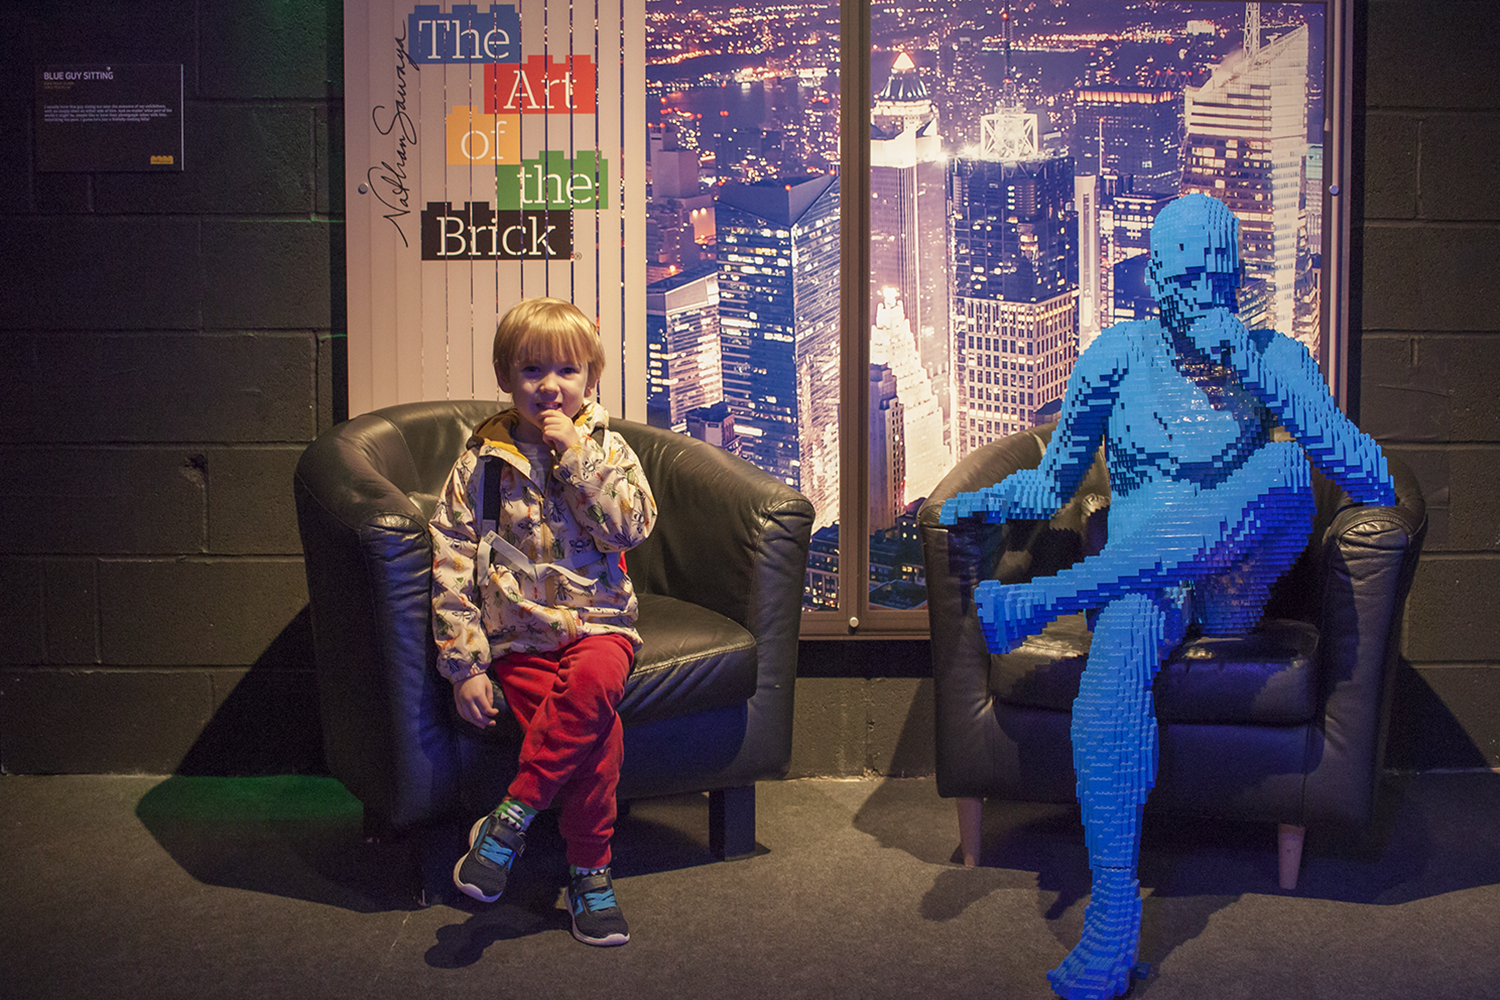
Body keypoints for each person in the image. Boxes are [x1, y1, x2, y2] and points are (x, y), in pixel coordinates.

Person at [941, 193, 1395, 1000]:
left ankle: (1053, 596)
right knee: (1113, 667)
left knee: (1288, 469)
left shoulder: (1273, 357)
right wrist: (983, 501)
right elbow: (1053, 480)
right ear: (1154, 279)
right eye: (1185, 280)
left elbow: (1369, 476)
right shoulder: (1117, 357)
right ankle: (1114, 906)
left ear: (1239, 281)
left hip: (1233, 586)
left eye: (1217, 280)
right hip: (1144, 581)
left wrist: (1254, 369)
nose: (1201, 298)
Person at [429, 296, 657, 947]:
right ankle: (591, 876)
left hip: (602, 625)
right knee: (594, 743)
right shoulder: (481, 463)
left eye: (567, 371)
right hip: (519, 636)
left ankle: (510, 819)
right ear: (506, 377)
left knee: (588, 695)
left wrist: (579, 458)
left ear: (592, 379)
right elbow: (450, 561)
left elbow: (633, 528)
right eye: (532, 370)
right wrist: (466, 665)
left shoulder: (609, 449)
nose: (550, 386)